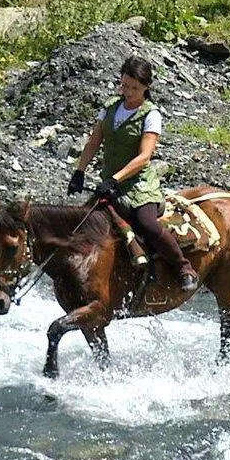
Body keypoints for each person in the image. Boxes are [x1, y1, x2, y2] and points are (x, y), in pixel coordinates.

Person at [67, 55, 199, 292]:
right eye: (124, 85)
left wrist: (115, 179)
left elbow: (144, 157)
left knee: (147, 224)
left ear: (146, 87)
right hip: (110, 183)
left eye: (134, 88)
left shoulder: (151, 115)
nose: (127, 91)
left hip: (139, 186)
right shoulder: (110, 107)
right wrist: (80, 171)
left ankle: (183, 267)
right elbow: (94, 142)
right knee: (83, 223)